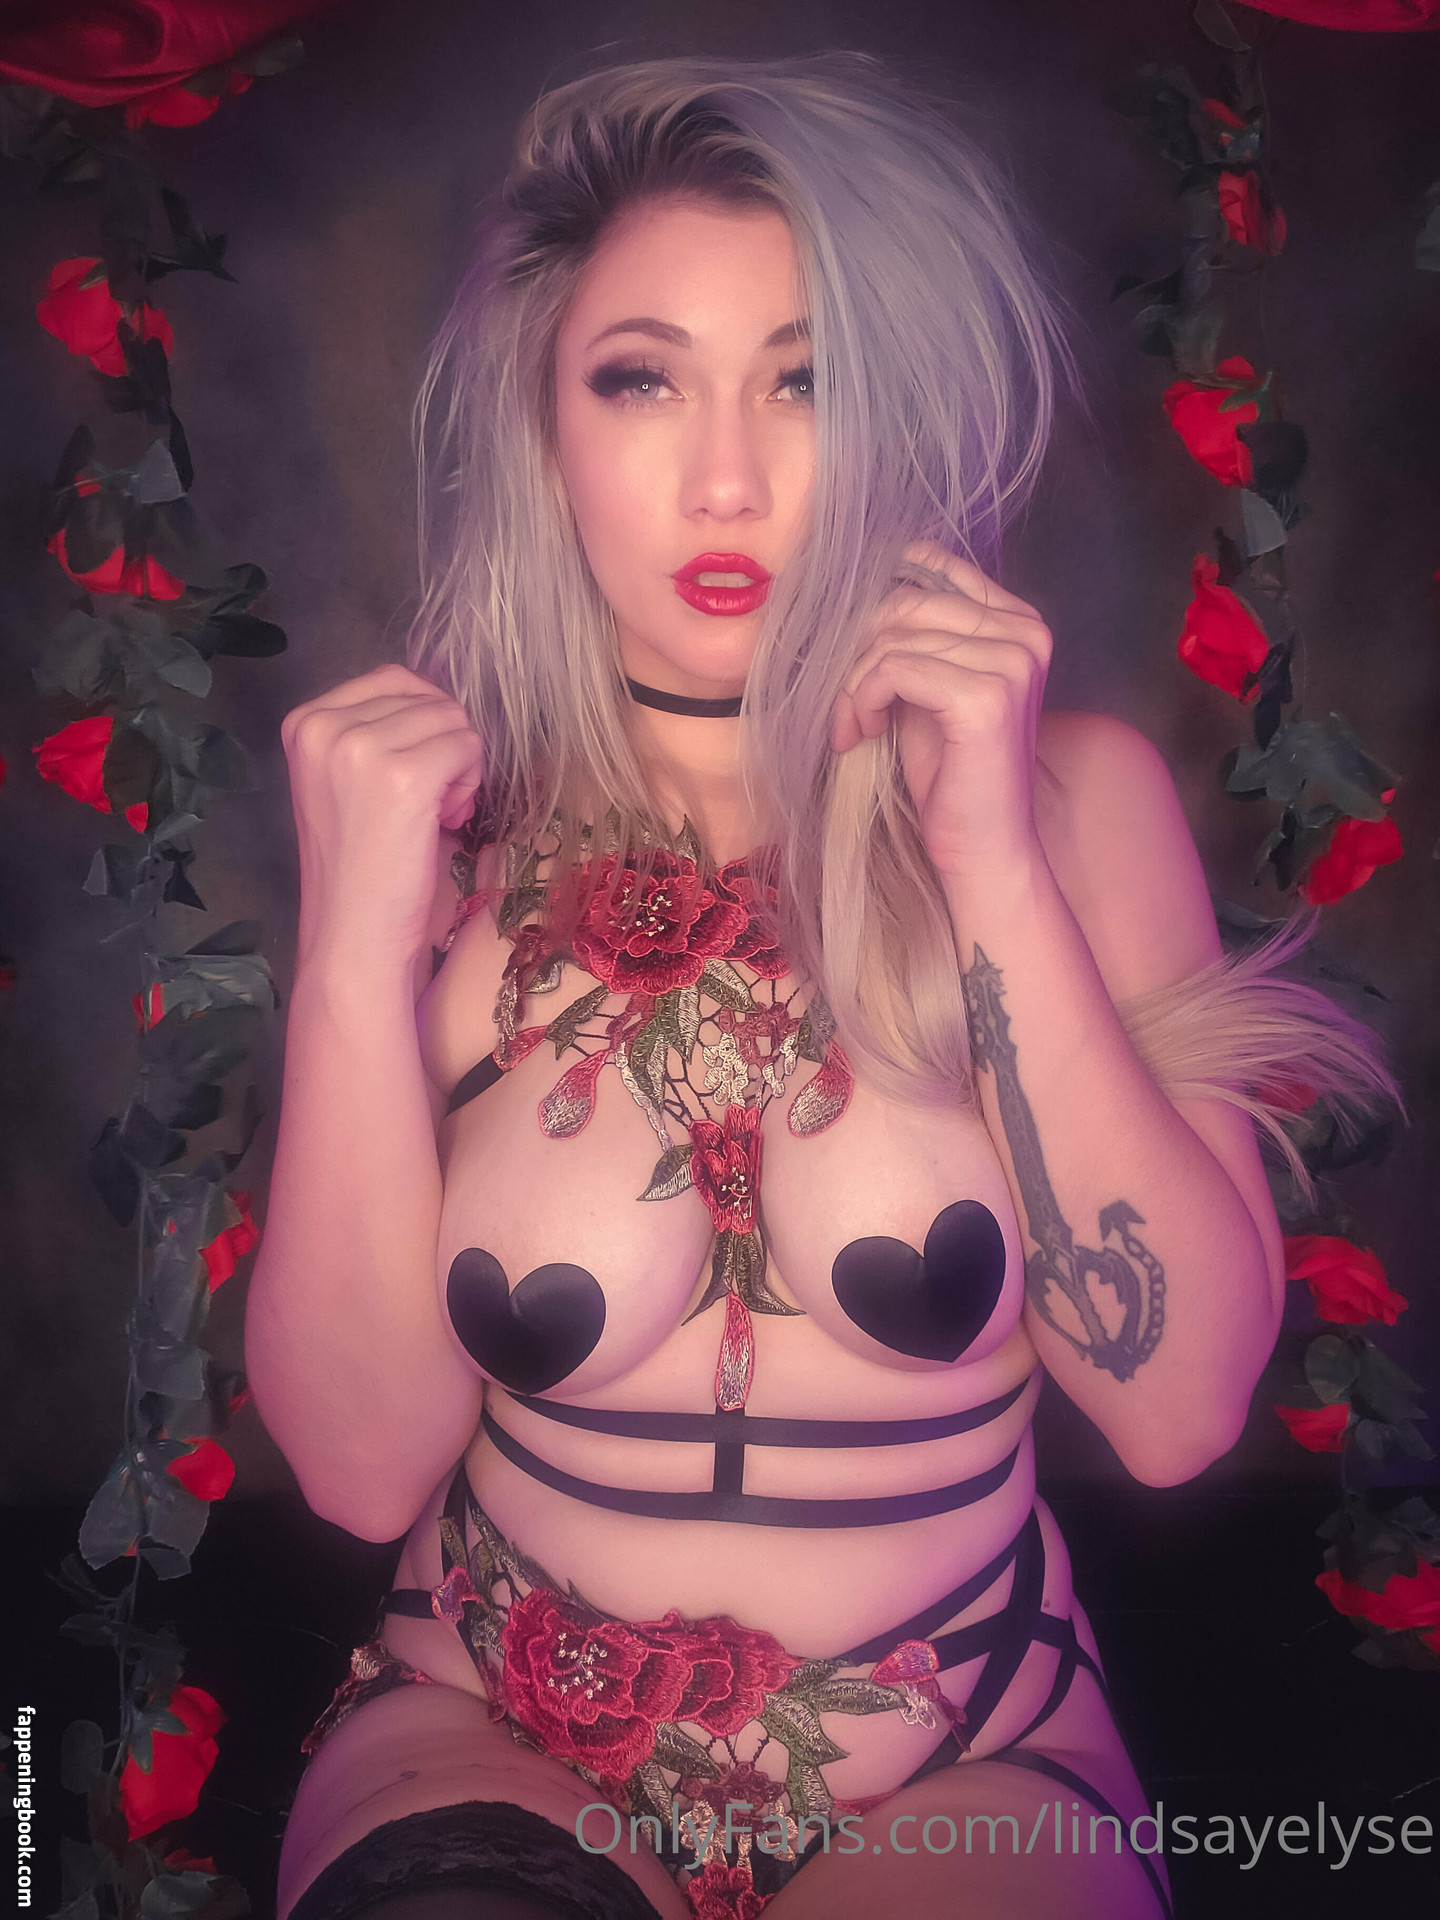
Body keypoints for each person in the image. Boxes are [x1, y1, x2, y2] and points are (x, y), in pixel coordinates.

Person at [248, 54, 1390, 1920]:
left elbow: (1178, 1414)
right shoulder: (444, 830)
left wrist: (987, 857)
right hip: (480, 1724)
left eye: (808, 378)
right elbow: (363, 1472)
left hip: (969, 1756)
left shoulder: (1071, 804)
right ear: (546, 425)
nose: (728, 476)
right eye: (642, 379)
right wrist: (347, 960)